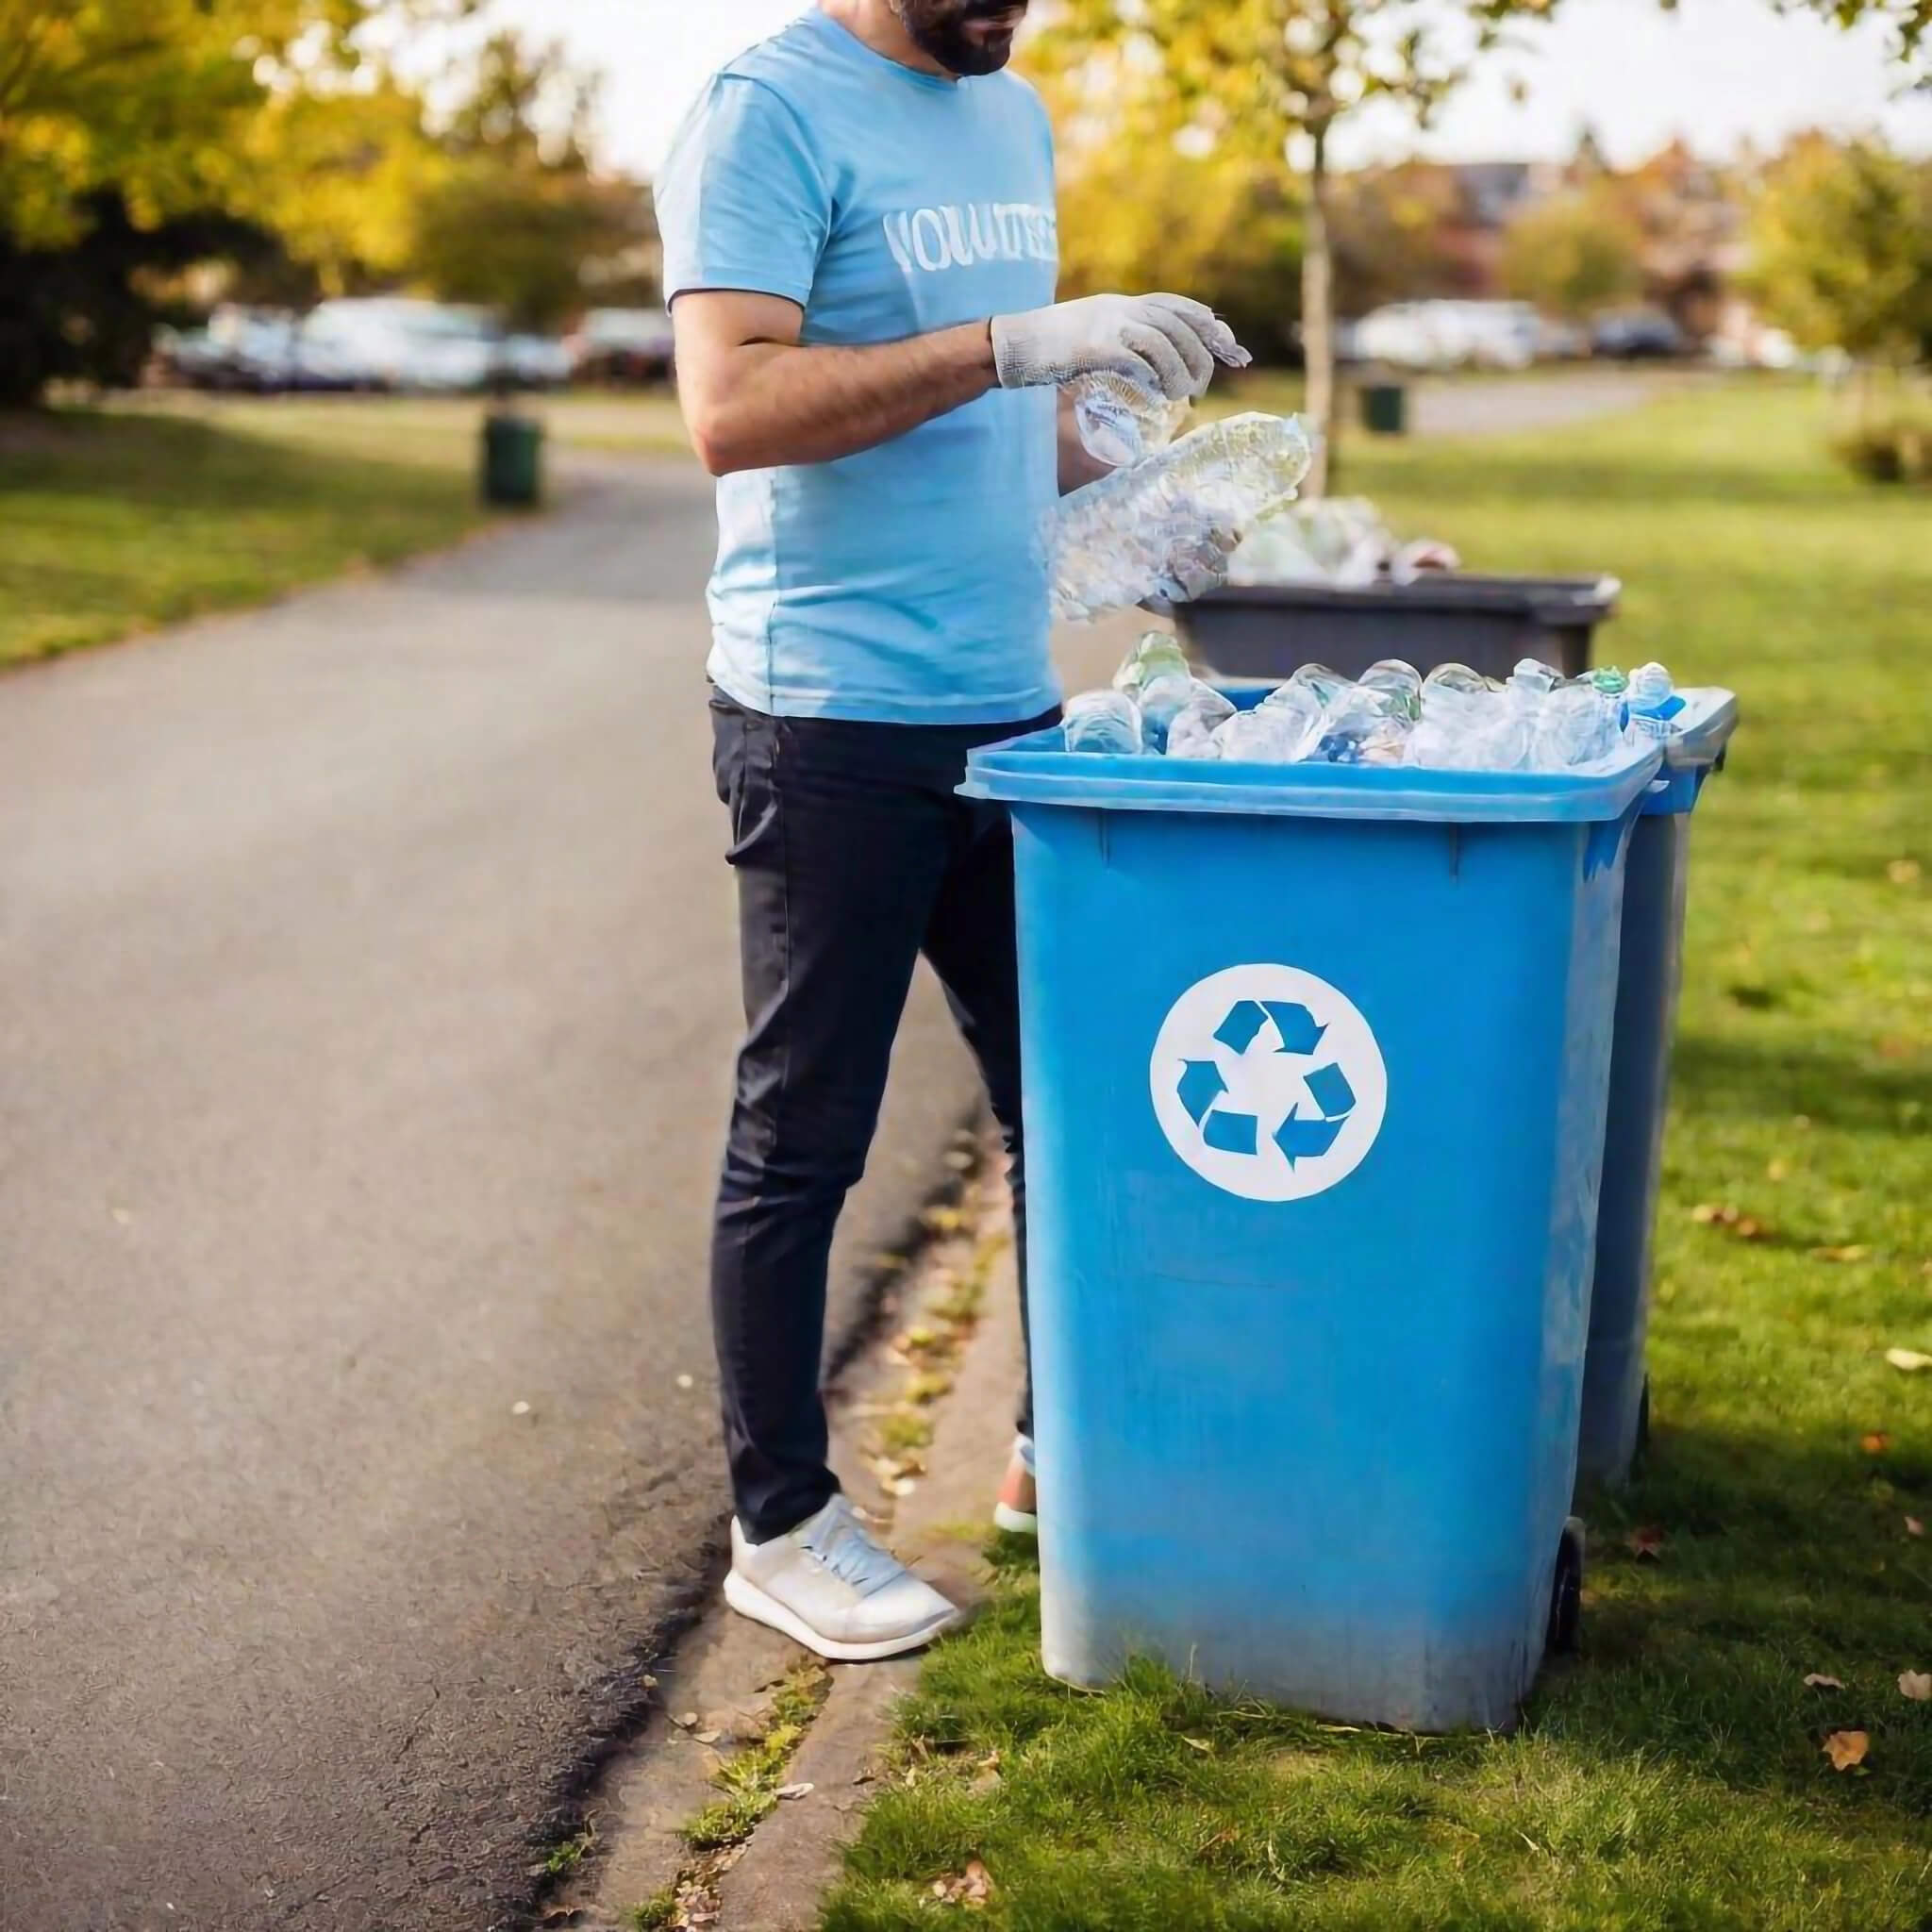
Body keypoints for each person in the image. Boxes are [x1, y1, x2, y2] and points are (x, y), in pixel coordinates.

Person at [658, 0, 1243, 1663]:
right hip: (826, 714)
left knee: (1074, 1100)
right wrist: (1010, 344)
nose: (1012, 6)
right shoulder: (762, 109)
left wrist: (1123, 463)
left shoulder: (1014, 111)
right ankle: (779, 1528)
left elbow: (1004, 424)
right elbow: (735, 409)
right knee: (804, 1134)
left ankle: (1066, 1459)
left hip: (1008, 708)